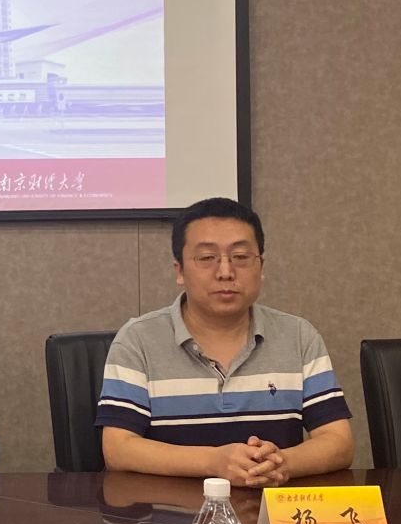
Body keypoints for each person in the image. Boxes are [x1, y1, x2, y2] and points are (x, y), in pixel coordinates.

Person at [97, 197, 354, 486]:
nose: (225, 272)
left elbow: (338, 442)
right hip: (169, 512)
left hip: (269, 509)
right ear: (179, 271)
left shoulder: (298, 336)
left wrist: (282, 463)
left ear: (261, 266)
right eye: (207, 258)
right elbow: (118, 449)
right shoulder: (138, 340)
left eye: (241, 257)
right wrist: (214, 462)